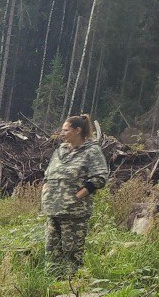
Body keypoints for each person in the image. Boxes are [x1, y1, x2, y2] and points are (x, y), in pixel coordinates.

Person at [40, 114, 108, 274]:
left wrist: (77, 197)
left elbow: (100, 178)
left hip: (74, 213)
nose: (61, 133)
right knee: (51, 253)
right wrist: (45, 190)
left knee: (72, 255)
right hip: (53, 210)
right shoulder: (60, 151)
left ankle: (71, 290)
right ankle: (51, 288)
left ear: (78, 130)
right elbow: (48, 175)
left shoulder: (91, 151)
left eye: (65, 130)